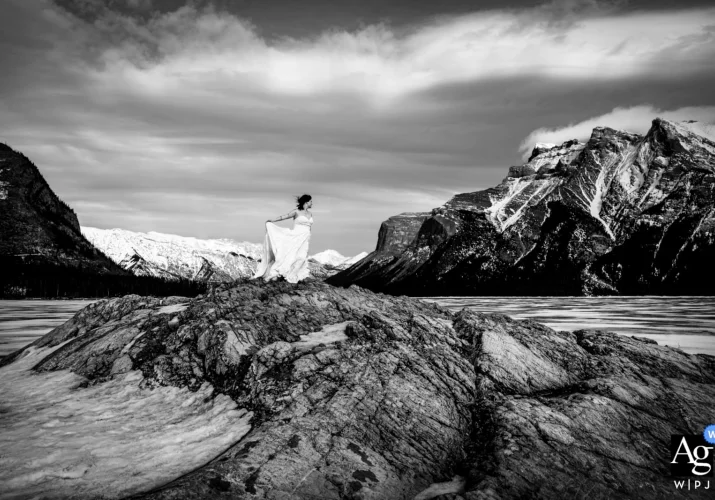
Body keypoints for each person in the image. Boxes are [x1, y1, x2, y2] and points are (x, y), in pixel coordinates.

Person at [252, 194, 313, 283]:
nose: (312, 203)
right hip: (296, 236)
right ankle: (280, 274)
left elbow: (309, 227)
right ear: (306, 202)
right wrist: (273, 220)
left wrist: (308, 236)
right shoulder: (297, 212)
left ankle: (292, 275)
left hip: (305, 238)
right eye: (311, 201)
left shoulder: (310, 214)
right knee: (289, 255)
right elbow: (285, 216)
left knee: (302, 257)